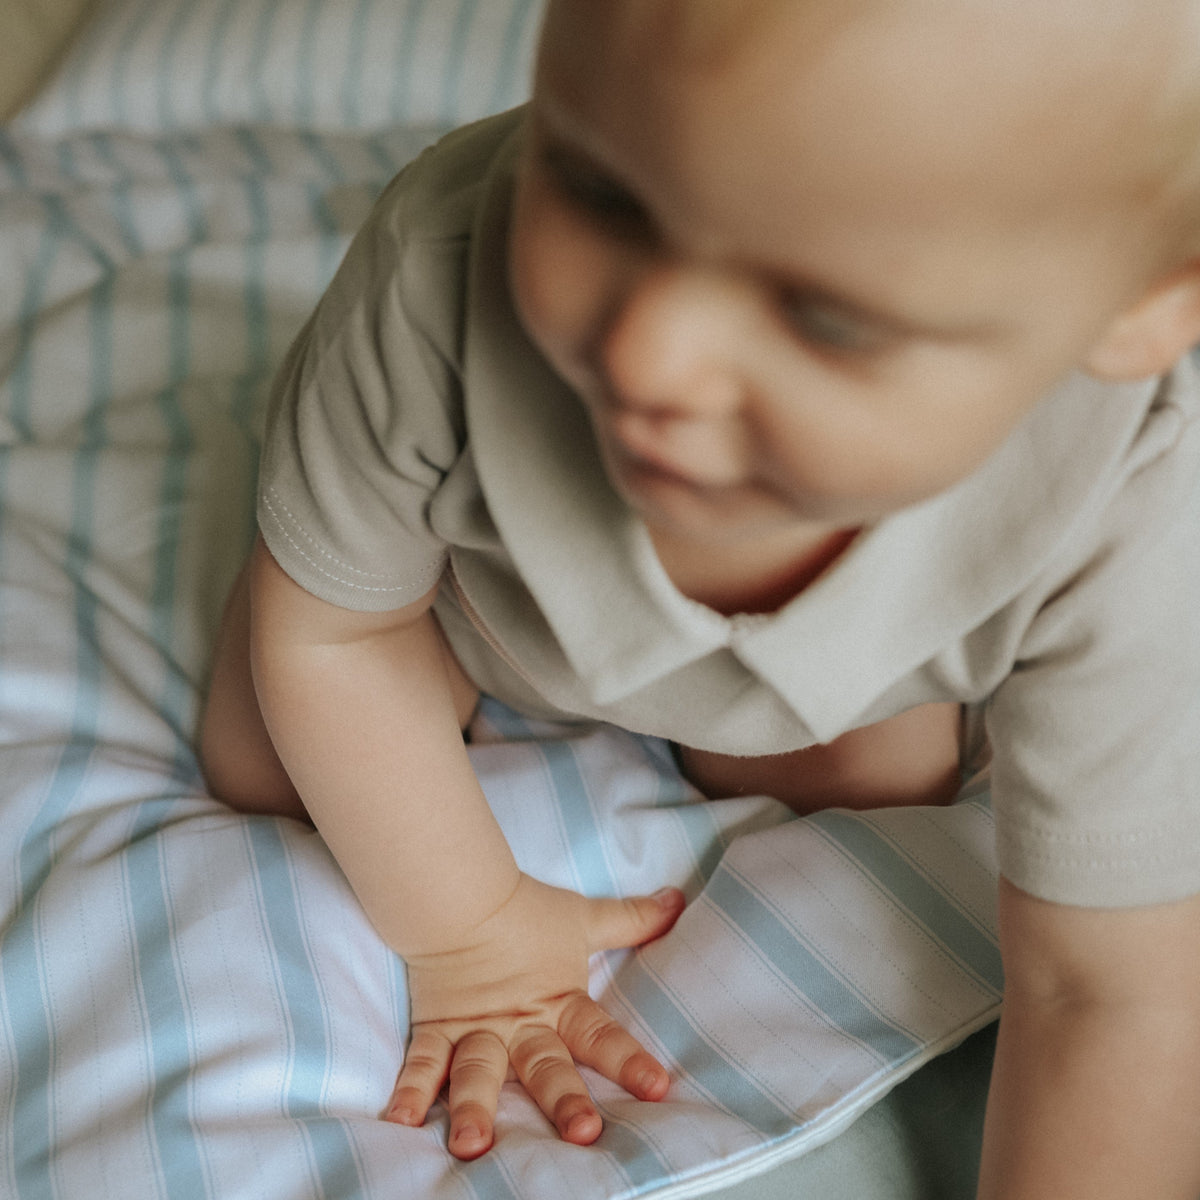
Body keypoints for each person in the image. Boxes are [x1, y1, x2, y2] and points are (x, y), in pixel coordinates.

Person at [199, 0, 1200, 1193]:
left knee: (878, 803)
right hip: (467, 607)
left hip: (834, 678)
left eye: (825, 316)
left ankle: (850, 686)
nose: (648, 357)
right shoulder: (439, 266)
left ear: (1143, 307)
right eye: (601, 194)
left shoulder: (1133, 499)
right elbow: (337, 638)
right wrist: (469, 933)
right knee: (261, 758)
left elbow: (1113, 991)